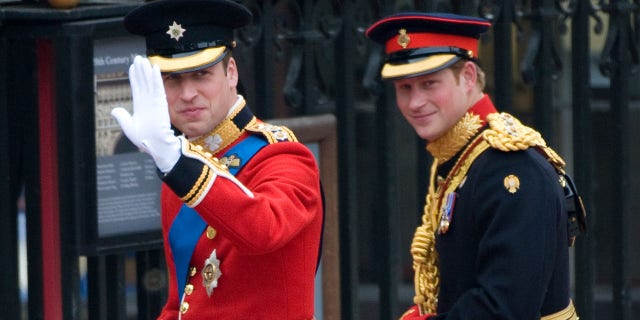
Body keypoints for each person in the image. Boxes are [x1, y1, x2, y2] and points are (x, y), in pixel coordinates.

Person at [111, 0, 324, 319]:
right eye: (172, 80)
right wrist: (176, 161)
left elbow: (262, 230)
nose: (187, 94)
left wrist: (175, 162)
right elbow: (180, 302)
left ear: (231, 73)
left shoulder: (282, 157)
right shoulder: (182, 167)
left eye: (201, 75)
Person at [366, 12, 586, 320]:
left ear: (469, 76)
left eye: (429, 84)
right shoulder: (458, 154)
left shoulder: (512, 167)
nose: (415, 102)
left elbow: (505, 310)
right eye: (405, 88)